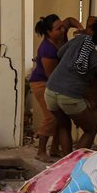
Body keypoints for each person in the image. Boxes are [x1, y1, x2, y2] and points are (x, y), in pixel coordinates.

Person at [45, 17, 97, 152]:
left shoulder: (80, 40)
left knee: (64, 126)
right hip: (70, 96)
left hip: (50, 90)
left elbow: (60, 53)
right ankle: (75, 163)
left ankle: (67, 161)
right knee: (91, 130)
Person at [28, 14, 82, 161]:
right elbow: (51, 76)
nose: (63, 30)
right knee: (51, 117)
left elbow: (69, 20)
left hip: (55, 81)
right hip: (42, 83)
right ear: (48, 32)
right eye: (58, 29)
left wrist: (80, 28)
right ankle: (41, 151)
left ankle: (54, 149)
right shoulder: (47, 50)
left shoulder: (61, 34)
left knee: (61, 117)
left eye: (62, 27)